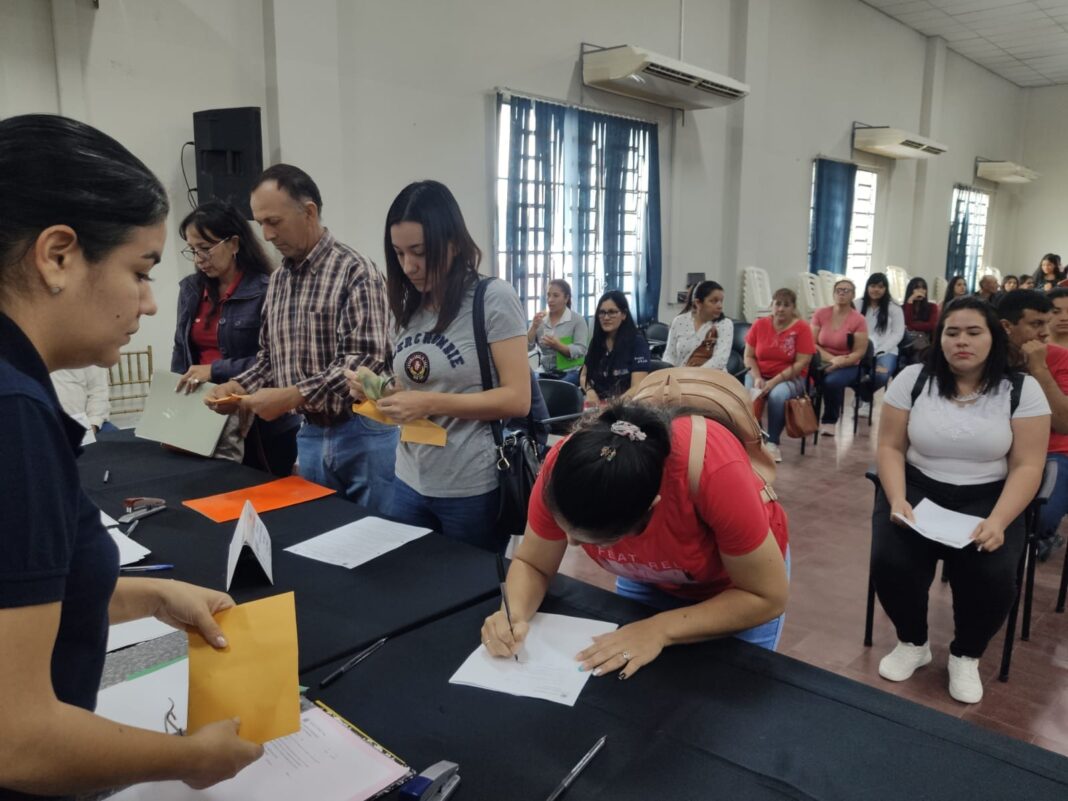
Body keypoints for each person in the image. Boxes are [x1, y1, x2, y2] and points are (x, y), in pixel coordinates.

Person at [0, 114, 262, 800]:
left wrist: (148, 594)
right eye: (139, 271)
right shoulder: (13, 416)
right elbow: (17, 736)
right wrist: (185, 757)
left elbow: (22, 597)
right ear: (58, 255)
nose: (148, 301)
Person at [481, 402, 790, 675]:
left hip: (736, 587)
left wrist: (661, 629)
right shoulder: (566, 471)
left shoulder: (712, 470)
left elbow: (765, 596)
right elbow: (534, 563)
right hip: (653, 574)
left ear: (651, 509)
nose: (570, 545)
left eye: (597, 542)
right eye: (566, 531)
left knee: (727, 688)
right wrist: (515, 613)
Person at [872, 297, 1049, 704]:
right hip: (917, 488)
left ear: (994, 338)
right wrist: (897, 497)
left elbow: (1026, 465)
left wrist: (1000, 520)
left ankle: (965, 654)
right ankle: (913, 643)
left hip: (989, 495)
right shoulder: (914, 379)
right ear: (940, 338)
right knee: (891, 560)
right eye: (952, 333)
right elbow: (890, 447)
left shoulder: (1021, 389)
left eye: (973, 332)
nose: (961, 342)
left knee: (993, 576)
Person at [347, 181, 530, 552]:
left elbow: (517, 399)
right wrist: (379, 391)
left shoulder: (491, 298)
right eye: (398, 254)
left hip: (470, 485)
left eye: (419, 251)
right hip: (409, 478)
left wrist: (429, 403)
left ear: (453, 243)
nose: (409, 266)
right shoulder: (407, 305)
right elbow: (413, 390)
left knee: (468, 592)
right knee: (414, 584)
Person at [206, 164, 397, 513]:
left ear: (309, 212)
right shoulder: (278, 280)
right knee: (319, 535)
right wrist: (236, 388)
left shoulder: (356, 272)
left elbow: (362, 362)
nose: (265, 235)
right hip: (309, 434)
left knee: (377, 542)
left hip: (362, 432)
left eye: (273, 222)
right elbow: (269, 359)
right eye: (259, 222)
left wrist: (291, 396)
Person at [173, 200, 298, 476]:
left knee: (263, 498)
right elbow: (181, 350)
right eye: (192, 250)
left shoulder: (268, 290)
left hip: (259, 421)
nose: (198, 259)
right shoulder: (191, 289)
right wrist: (174, 399)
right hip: (204, 411)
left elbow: (277, 361)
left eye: (206, 248)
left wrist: (214, 370)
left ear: (234, 244)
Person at [998, 290, 1068, 562]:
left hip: (1054, 451)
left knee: (1041, 514)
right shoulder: (989, 357)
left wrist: (1039, 369)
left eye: (1045, 323)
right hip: (1000, 448)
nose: (1045, 331)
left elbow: (1063, 424)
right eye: (1036, 325)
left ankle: (1043, 533)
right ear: (1007, 326)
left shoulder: (1059, 357)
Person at [742, 288, 815, 463]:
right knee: (749, 395)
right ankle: (754, 438)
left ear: (794, 308)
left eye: (786, 305)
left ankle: (773, 442)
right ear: (772, 305)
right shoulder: (759, 325)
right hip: (760, 373)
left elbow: (801, 363)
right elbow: (749, 356)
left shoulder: (802, 328)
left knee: (777, 395)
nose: (781, 309)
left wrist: (774, 381)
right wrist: (758, 377)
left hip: (792, 377)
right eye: (778, 304)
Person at [810, 278, 868, 436]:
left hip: (849, 363)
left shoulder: (859, 319)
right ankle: (806, 418)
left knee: (832, 382)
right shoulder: (821, 313)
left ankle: (829, 420)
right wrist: (831, 360)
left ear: (853, 295)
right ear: (834, 293)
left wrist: (839, 363)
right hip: (822, 359)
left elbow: (859, 352)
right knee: (804, 378)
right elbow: (811, 343)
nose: (842, 293)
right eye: (838, 290)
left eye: (846, 290)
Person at [579, 291, 651, 404]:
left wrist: (612, 408)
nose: (606, 317)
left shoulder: (637, 343)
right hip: (597, 404)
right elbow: (583, 375)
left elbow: (637, 387)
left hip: (625, 406)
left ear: (623, 314)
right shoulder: (597, 342)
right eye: (602, 312)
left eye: (612, 312)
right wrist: (589, 391)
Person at [527, 278, 588, 384]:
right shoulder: (540, 319)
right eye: (548, 295)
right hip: (544, 371)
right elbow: (526, 348)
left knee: (557, 389)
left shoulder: (577, 320)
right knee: (529, 384)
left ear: (566, 298)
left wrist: (558, 346)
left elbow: (581, 350)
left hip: (570, 370)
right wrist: (533, 328)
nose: (550, 300)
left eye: (555, 295)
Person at [663, 280, 733, 370]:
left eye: (721, 301)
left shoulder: (725, 324)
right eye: (714, 301)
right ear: (698, 303)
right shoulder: (679, 321)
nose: (720, 306)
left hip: (711, 378)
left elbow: (719, 360)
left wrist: (693, 375)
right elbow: (669, 355)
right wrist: (668, 372)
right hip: (680, 377)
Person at [855, 272, 905, 400]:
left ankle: (863, 398)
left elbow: (897, 333)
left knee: (881, 376)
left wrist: (880, 350)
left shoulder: (894, 307)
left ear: (886, 289)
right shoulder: (857, 304)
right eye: (873, 286)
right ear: (867, 287)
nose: (876, 289)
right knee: (851, 373)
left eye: (881, 287)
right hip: (860, 349)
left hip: (886, 351)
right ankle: (863, 397)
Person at [50, 366, 115, 433]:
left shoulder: (89, 357)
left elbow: (98, 393)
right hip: (47, 425)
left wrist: (93, 424)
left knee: (114, 436)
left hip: (84, 422)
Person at [901, 277, 939, 366]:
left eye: (923, 288)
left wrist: (911, 325)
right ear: (911, 290)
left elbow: (931, 325)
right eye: (917, 288)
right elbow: (905, 323)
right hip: (906, 339)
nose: (921, 291)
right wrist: (910, 302)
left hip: (923, 340)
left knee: (919, 344)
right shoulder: (902, 307)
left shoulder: (932, 307)